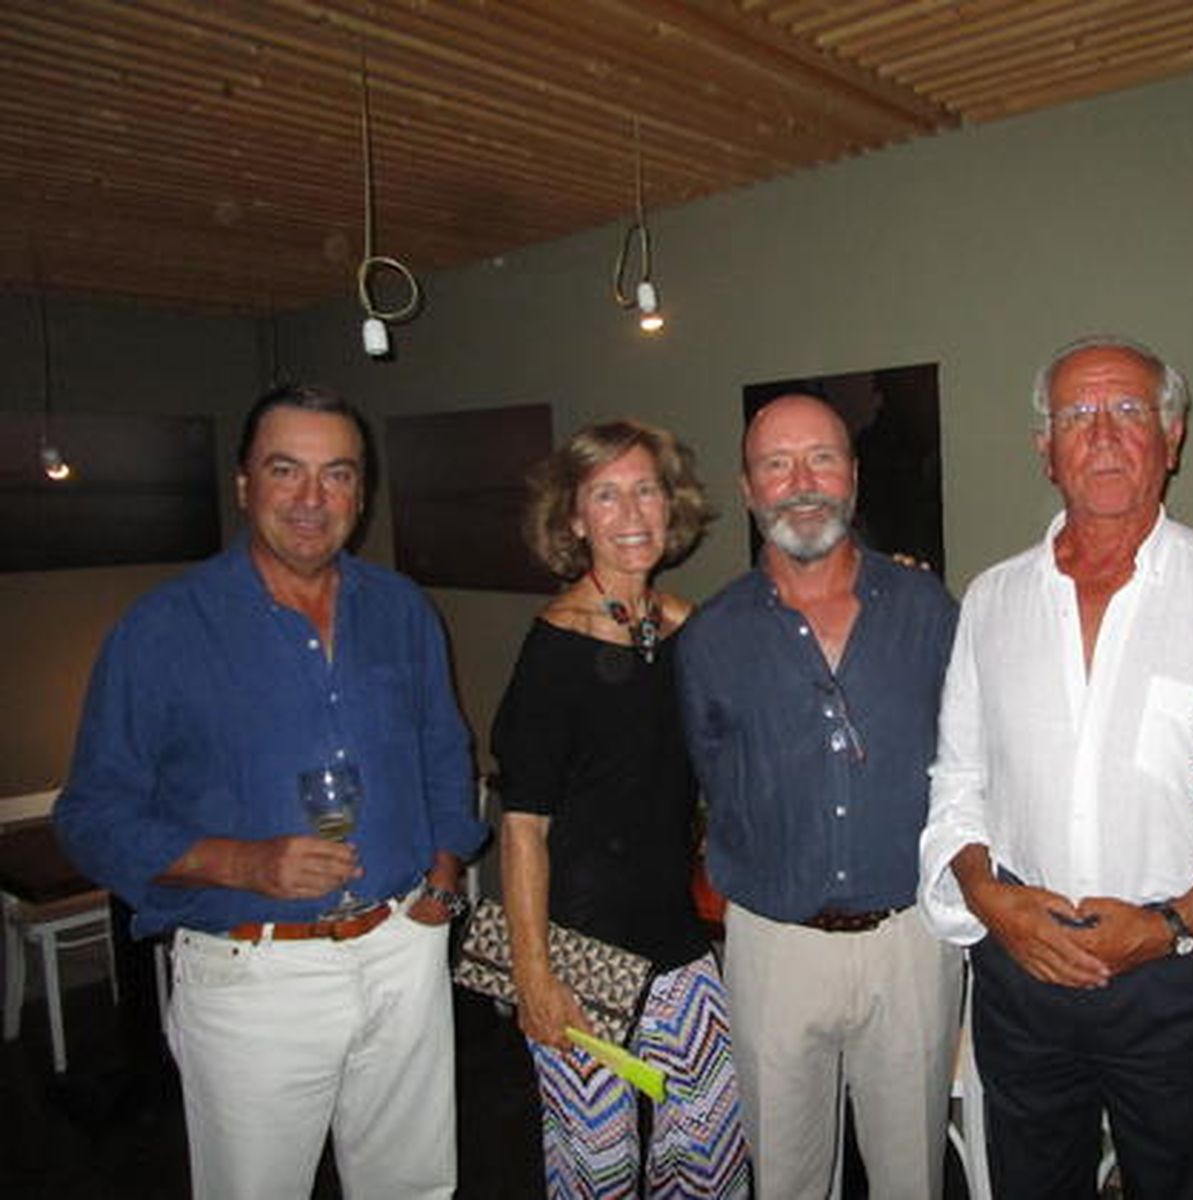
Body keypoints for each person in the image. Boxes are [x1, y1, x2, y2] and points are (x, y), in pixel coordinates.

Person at [55, 383, 485, 1199]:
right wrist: (240, 862)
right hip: (256, 975)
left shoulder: (400, 610)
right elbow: (90, 815)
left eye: (338, 475)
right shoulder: (162, 629)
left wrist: (444, 871)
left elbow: (444, 747)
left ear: (362, 492)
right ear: (244, 483)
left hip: (403, 949)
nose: (312, 499)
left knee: (415, 1187)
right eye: (286, 471)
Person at [919, 336, 1193, 1198]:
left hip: (1177, 979)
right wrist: (989, 899)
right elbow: (958, 781)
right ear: (1045, 449)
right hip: (1020, 979)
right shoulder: (993, 600)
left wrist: (1172, 925)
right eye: (1076, 415)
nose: (1103, 435)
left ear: (1172, 436)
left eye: (1128, 411)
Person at [677, 393, 962, 1199]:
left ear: (854, 477)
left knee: (912, 1176)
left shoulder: (928, 610)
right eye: (777, 464)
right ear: (748, 488)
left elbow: (972, 762)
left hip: (911, 942)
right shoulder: (712, 635)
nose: (802, 482)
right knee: (787, 1181)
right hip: (774, 948)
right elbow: (711, 775)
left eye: (822, 459)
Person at [492, 420, 750, 1198]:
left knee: (710, 1146)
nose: (632, 512)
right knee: (596, 1166)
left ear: (671, 507)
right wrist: (533, 971)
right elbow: (523, 827)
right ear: (574, 519)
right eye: (607, 494)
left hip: (677, 940)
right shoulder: (555, 646)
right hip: (578, 949)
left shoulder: (686, 627)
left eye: (645, 490)